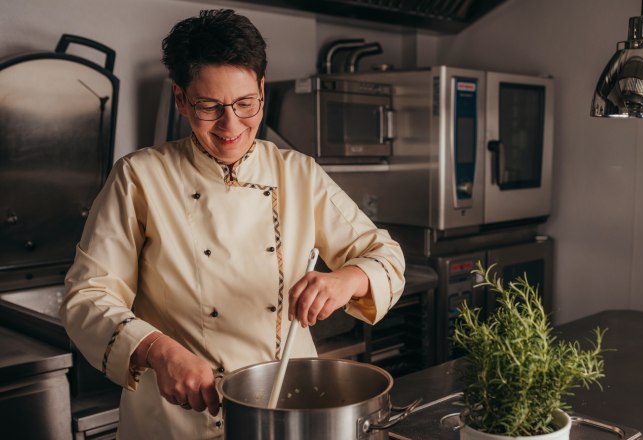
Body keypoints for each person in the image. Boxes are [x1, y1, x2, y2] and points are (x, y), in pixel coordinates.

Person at [60, 9, 405, 439]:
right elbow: (87, 296)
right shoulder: (139, 178)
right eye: (209, 106)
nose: (231, 125)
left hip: (286, 408)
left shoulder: (297, 173)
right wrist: (156, 350)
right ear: (181, 99)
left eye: (245, 104)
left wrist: (348, 280)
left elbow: (385, 256)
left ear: (262, 90)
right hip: (175, 417)